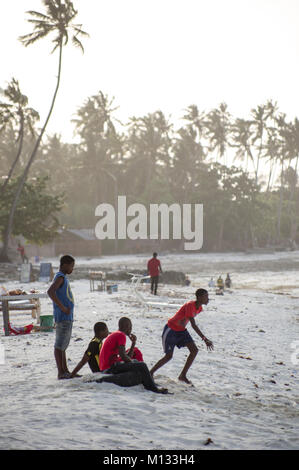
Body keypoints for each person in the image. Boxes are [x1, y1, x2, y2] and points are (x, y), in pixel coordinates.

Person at [150, 289, 213, 385]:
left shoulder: (199, 308)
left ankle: (182, 375)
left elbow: (186, 321)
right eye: (206, 296)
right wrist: (205, 339)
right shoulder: (190, 305)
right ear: (199, 297)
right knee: (168, 356)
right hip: (171, 330)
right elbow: (193, 325)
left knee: (194, 350)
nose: (208, 299)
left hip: (181, 331)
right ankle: (150, 373)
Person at [98, 317, 168, 394]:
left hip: (109, 366)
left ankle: (152, 383)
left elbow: (126, 356)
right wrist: (134, 363)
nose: (131, 329)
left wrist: (133, 343)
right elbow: (123, 356)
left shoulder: (116, 334)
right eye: (130, 327)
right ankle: (154, 388)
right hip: (110, 367)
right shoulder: (121, 335)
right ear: (127, 326)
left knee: (136, 363)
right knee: (142, 365)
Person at [69, 322, 143, 377]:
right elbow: (84, 360)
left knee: (133, 351)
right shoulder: (94, 344)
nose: (108, 332)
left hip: (107, 366)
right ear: (101, 332)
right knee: (135, 353)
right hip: (102, 371)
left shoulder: (98, 341)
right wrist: (73, 374)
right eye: (106, 330)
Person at [47, 255, 75, 380]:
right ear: (64, 265)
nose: (72, 269)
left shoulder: (62, 277)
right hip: (62, 316)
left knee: (63, 345)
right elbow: (50, 292)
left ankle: (65, 371)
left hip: (67, 317)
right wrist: (63, 308)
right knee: (59, 346)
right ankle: (61, 372)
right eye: (71, 266)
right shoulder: (60, 277)